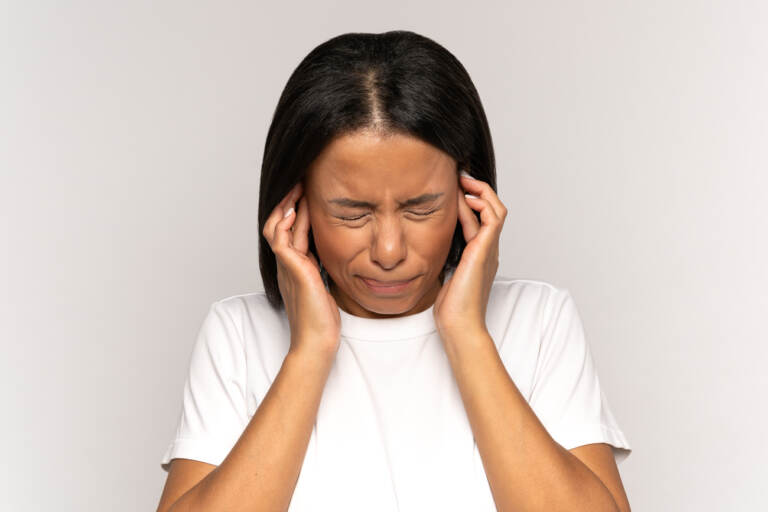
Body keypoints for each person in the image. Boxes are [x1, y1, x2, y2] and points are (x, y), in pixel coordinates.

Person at [156, 30, 632, 512]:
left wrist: (466, 334)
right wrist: (309, 352)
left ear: (470, 194)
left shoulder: (539, 321)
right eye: (351, 213)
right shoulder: (239, 334)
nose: (388, 250)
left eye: (421, 209)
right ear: (295, 204)